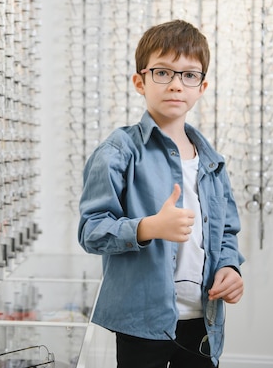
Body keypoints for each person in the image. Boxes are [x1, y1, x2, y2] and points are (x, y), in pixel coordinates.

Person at [77, 19, 245, 368]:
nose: (176, 85)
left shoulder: (211, 160)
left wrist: (230, 268)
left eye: (188, 75)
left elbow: (226, 231)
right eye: (162, 72)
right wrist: (148, 227)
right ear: (140, 82)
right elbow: (90, 231)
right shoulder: (118, 151)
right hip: (141, 320)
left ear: (202, 86)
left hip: (203, 318)